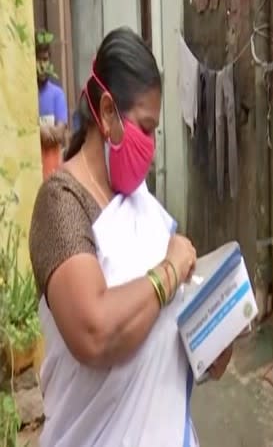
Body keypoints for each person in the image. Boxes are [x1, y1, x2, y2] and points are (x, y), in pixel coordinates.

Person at [29, 27, 233, 446]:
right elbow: (95, 332)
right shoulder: (61, 204)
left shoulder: (145, 210)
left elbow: (173, 332)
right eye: (145, 127)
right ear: (106, 113)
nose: (151, 147)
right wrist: (169, 271)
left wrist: (219, 329)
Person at [36, 30, 68, 180]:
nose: (43, 65)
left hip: (53, 175)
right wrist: (39, 130)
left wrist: (41, 131)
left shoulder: (57, 94)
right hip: (31, 174)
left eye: (46, 59)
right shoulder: (27, 96)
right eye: (39, 60)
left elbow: (61, 133)